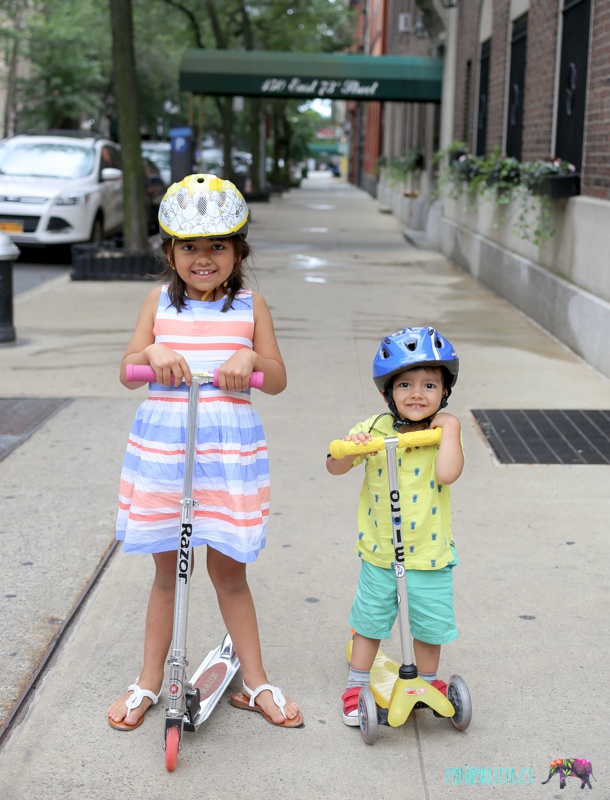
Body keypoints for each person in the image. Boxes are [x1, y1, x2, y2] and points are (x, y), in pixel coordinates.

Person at [107, 174, 302, 731]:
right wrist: (152, 347)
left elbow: (280, 378)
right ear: (169, 250)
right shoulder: (155, 304)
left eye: (217, 245)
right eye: (189, 246)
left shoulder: (250, 306)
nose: (203, 257)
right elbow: (127, 373)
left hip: (226, 455)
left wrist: (252, 361)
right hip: (167, 451)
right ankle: (148, 682)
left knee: (229, 573)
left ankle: (257, 680)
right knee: (167, 574)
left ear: (239, 250)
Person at [326, 327, 464, 726]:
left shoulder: (442, 433)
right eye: (405, 384)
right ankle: (356, 683)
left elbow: (449, 473)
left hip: (430, 553)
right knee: (370, 622)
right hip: (382, 551)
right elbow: (335, 466)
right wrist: (350, 445)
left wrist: (451, 429)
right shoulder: (375, 428)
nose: (417, 393)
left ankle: (430, 681)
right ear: (388, 393)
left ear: (444, 392)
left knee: (430, 625)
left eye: (429, 385)